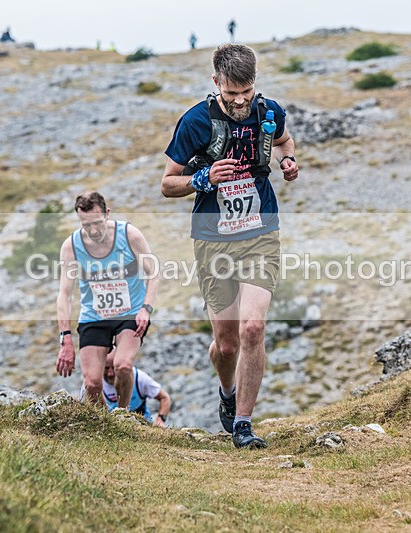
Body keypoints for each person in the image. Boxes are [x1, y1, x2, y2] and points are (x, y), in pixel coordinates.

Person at [161, 44, 298, 448]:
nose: (240, 100)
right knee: (227, 343)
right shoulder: (195, 122)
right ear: (216, 81)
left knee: (253, 328)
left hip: (260, 232)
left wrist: (289, 162)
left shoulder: (269, 111)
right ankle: (227, 393)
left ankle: (242, 424)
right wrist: (203, 179)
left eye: (247, 90)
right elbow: (167, 184)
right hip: (212, 239)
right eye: (232, 91)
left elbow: (287, 142)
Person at [56, 191, 160, 412]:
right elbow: (65, 294)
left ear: (107, 214)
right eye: (86, 225)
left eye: (97, 223)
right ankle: (107, 424)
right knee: (92, 384)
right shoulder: (71, 246)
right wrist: (65, 338)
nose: (93, 231)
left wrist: (146, 308)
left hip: (130, 314)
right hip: (95, 317)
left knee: (122, 365)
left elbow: (154, 272)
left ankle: (124, 416)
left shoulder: (129, 235)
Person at [80, 349, 171, 427]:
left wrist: (160, 419)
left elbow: (164, 397)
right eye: (106, 368)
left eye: (114, 368)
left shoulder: (139, 378)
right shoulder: (92, 383)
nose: (110, 373)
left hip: (141, 427)